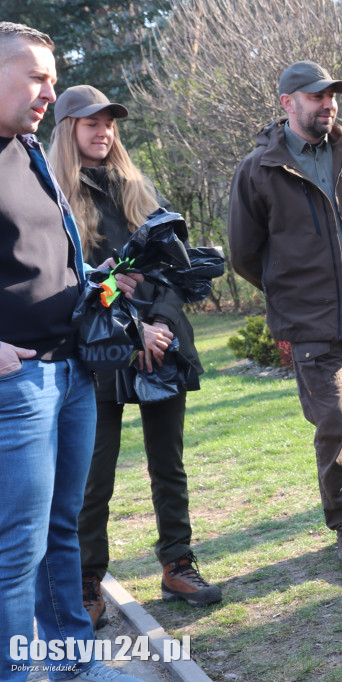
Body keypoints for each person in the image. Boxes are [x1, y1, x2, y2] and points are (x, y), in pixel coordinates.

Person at [0, 21, 143, 682]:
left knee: (63, 530)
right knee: (16, 551)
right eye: (36, 77)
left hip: (73, 372)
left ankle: (71, 663)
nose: (48, 95)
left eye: (52, 81)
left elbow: (52, 258)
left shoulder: (28, 150)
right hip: (18, 384)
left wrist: (102, 286)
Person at [49, 84, 222, 627]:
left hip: (160, 347)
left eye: (109, 123)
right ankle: (87, 584)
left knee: (167, 464)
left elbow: (175, 271)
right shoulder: (51, 197)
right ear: (67, 130)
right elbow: (69, 286)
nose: (102, 132)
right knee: (92, 475)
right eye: (89, 123)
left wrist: (160, 326)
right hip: (96, 355)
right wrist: (127, 318)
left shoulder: (140, 190)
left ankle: (177, 563)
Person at [229, 61, 342, 574]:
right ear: (287, 103)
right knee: (335, 423)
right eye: (315, 96)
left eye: (332, 95)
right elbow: (244, 253)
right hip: (309, 320)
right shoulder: (259, 170)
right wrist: (296, 293)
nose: (327, 103)